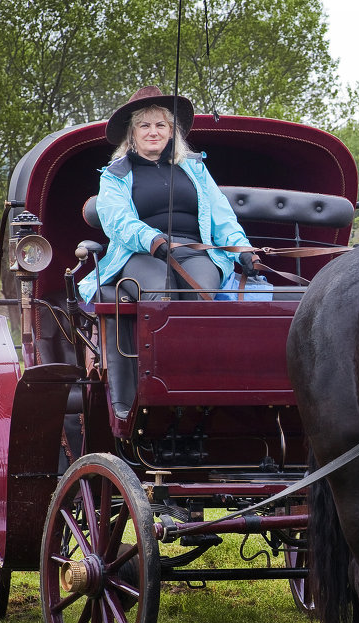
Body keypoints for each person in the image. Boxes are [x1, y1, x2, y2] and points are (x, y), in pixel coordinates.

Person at [77, 86, 258, 419]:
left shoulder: (196, 169)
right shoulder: (115, 176)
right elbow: (118, 222)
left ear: (172, 131)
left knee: (202, 291)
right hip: (140, 254)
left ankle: (202, 388)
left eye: (160, 125)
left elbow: (222, 216)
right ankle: (153, 392)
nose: (153, 132)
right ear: (132, 133)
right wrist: (153, 240)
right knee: (159, 292)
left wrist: (242, 249)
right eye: (144, 126)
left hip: (195, 251)